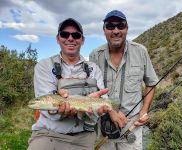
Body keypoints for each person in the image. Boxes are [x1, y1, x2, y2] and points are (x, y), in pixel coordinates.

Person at [28, 18, 110, 150]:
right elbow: (47, 108)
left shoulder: (93, 68)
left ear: (82, 40)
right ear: (58, 38)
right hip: (49, 135)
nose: (70, 38)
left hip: (84, 137)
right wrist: (57, 111)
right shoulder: (44, 66)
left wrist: (100, 108)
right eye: (65, 34)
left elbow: (103, 99)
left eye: (76, 35)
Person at [89, 10, 159, 150]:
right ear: (104, 30)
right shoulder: (95, 55)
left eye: (120, 25)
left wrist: (144, 110)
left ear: (126, 28)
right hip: (103, 126)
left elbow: (151, 83)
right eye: (110, 26)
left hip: (131, 126)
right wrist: (111, 111)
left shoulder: (141, 51)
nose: (116, 31)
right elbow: (92, 90)